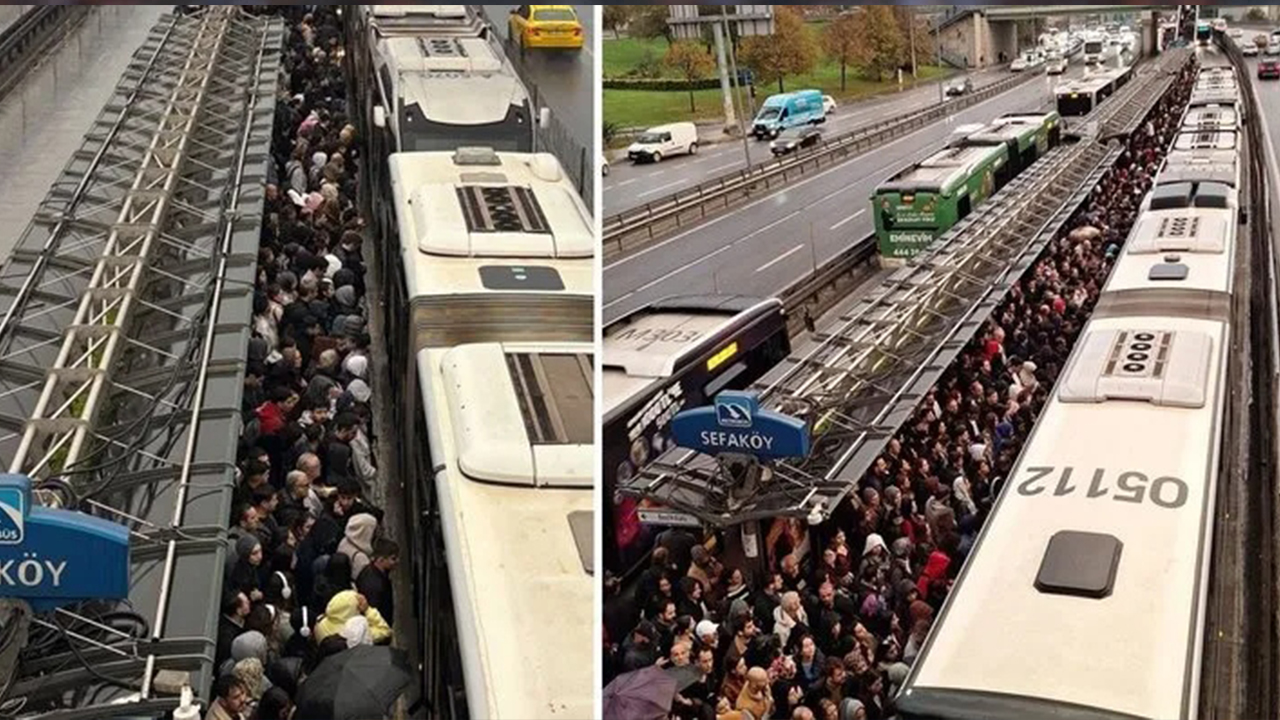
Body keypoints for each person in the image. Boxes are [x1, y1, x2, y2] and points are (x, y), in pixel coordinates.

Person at [356, 538, 398, 626]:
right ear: (381, 560)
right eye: (393, 559)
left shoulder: (367, 570)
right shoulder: (375, 586)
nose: (397, 562)